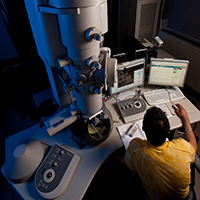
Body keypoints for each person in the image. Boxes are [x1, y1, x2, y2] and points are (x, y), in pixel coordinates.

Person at [124, 104, 197, 200]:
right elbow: (194, 146)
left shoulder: (136, 149)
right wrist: (185, 118)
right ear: (168, 132)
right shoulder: (183, 148)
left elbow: (131, 169)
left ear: (143, 129)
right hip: (183, 197)